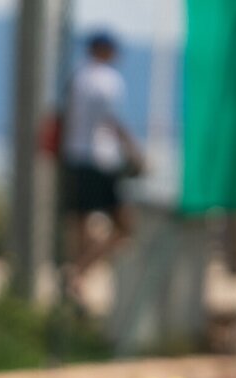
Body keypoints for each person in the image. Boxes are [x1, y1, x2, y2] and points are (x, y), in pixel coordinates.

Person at [60, 30, 147, 305]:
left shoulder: (76, 77)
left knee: (81, 222)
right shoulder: (106, 80)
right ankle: (78, 272)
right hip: (100, 159)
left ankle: (76, 282)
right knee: (125, 225)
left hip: (75, 156)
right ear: (105, 50)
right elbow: (111, 120)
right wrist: (135, 152)